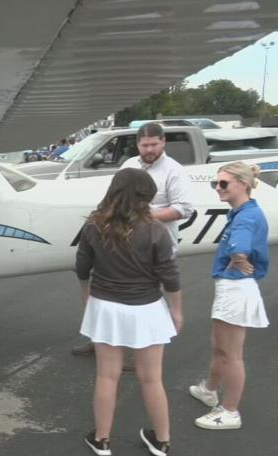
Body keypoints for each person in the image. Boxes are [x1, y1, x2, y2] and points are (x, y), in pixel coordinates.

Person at [76, 168, 182, 456]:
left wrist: (86, 293)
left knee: (107, 376)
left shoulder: (94, 226)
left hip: (106, 307)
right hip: (146, 308)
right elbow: (169, 276)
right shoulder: (155, 230)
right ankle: (161, 441)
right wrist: (176, 310)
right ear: (146, 196)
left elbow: (82, 266)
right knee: (151, 378)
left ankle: (101, 439)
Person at [72, 122, 193, 361]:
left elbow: (183, 209)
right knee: (111, 291)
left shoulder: (174, 170)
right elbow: (112, 198)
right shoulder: (128, 165)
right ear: (137, 144)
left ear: (163, 142)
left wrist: (137, 217)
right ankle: (102, 341)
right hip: (119, 239)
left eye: (154, 144)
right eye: (144, 145)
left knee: (144, 297)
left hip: (154, 241)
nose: (149, 149)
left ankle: (138, 353)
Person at [190, 162, 269, 430]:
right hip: (233, 286)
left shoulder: (245, 216)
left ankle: (230, 411)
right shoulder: (242, 212)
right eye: (216, 183)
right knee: (219, 345)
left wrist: (237, 257)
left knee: (231, 353)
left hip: (236, 287)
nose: (218, 188)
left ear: (243, 184)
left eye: (223, 183)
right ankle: (209, 389)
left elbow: (241, 242)